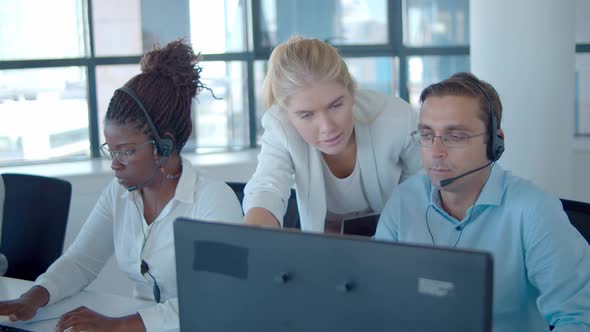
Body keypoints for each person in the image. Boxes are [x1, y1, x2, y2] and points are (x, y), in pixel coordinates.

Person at [0, 39, 243, 332]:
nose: (115, 163)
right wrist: (34, 297)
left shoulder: (214, 201)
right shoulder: (119, 193)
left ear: (162, 146)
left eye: (125, 151)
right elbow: (81, 261)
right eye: (111, 150)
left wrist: (119, 326)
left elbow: (215, 298)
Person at [375, 72, 590, 331]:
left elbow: (578, 318)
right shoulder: (404, 200)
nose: (436, 152)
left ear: (495, 143)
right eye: (427, 135)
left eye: (455, 137)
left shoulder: (535, 211)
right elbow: (378, 298)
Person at [243, 36, 421, 232]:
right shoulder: (280, 126)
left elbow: (425, 188)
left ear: (352, 92)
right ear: (287, 115)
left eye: (336, 105)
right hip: (326, 247)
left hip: (397, 236)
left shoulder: (394, 117)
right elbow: (267, 187)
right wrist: (251, 246)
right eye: (307, 115)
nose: (327, 127)